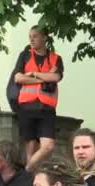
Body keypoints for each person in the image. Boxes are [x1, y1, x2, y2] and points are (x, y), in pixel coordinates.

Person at [13, 25, 63, 171]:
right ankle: (30, 182)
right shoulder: (25, 55)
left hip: (47, 108)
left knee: (48, 146)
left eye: (35, 36)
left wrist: (33, 74)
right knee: (30, 148)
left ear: (44, 38)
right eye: (30, 36)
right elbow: (18, 78)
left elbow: (56, 77)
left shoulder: (55, 58)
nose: (31, 39)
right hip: (27, 107)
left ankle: (26, 171)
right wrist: (44, 78)